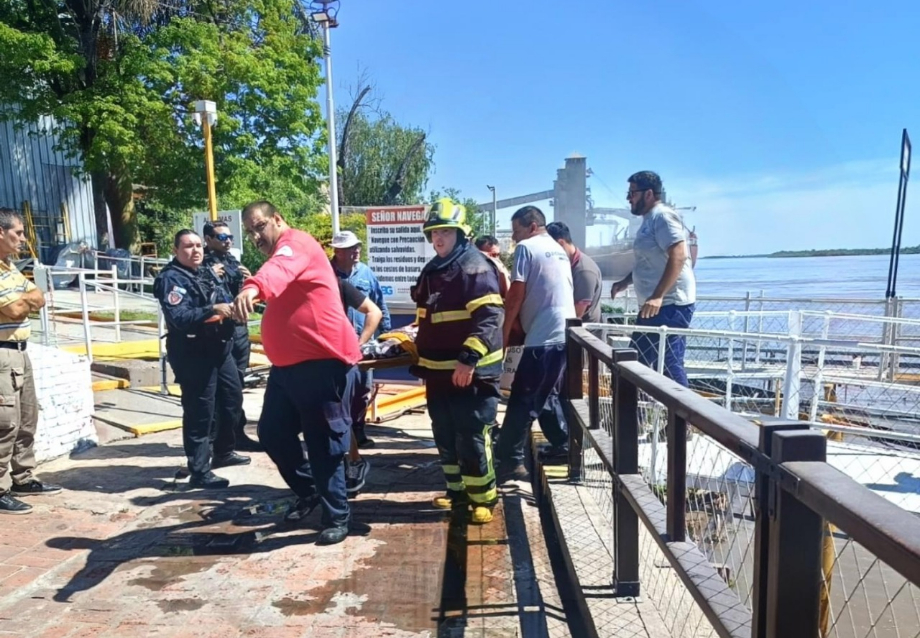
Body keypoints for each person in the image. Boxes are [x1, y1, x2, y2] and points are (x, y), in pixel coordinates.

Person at [233, 201, 361, 545]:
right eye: (250, 231)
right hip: (288, 368)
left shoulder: (296, 243)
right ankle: (310, 490)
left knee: (323, 443)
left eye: (259, 227)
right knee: (272, 433)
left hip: (322, 364)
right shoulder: (280, 253)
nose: (255, 236)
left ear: (277, 219)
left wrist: (253, 288)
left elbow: (277, 272)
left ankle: (337, 516)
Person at [410, 199, 504, 524]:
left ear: (461, 235)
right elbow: (427, 316)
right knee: (445, 434)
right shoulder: (432, 269)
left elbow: (490, 317)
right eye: (434, 232)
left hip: (471, 373)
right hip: (438, 373)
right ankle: (457, 494)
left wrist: (469, 358)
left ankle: (484, 498)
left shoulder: (475, 266)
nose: (439, 239)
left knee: (472, 435)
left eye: (446, 232)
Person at [154, 229, 248, 490]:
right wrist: (211, 310)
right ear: (175, 250)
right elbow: (180, 317)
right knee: (200, 411)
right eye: (187, 246)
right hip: (193, 352)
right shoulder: (170, 278)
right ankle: (199, 469)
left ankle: (224, 451)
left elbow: (224, 297)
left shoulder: (205, 271)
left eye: (198, 246)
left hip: (220, 347)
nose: (195, 250)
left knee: (232, 399)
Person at [494, 206, 575, 480]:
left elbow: (516, 293)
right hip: (564, 335)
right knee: (544, 392)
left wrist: (504, 335)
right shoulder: (558, 250)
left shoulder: (527, 248)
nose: (514, 238)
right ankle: (563, 444)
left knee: (521, 399)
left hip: (542, 338)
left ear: (531, 226)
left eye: (516, 231)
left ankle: (509, 461)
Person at [0, 208, 61, 515]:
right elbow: (11, 310)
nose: (23, 238)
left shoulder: (10, 268)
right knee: (4, 422)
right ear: (1, 232)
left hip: (20, 350)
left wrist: (26, 300)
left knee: (26, 417)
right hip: (2, 353)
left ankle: (23, 476)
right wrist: (26, 301)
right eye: (18, 233)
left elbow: (39, 296)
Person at [610, 171, 696, 386]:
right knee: (634, 363)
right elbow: (648, 262)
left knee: (668, 365)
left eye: (632, 193)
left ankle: (684, 417)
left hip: (669, 305)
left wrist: (658, 296)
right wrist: (625, 282)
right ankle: (633, 416)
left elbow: (679, 254)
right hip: (653, 307)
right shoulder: (649, 220)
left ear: (648, 193)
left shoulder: (663, 216)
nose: (629, 198)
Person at [202, 221, 260, 452]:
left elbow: (243, 295)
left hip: (239, 328)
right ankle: (217, 439)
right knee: (221, 387)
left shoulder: (233, 262)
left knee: (236, 386)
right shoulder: (203, 264)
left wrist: (250, 280)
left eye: (230, 237)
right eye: (221, 237)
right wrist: (208, 275)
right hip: (218, 331)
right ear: (208, 239)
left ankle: (236, 433)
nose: (227, 241)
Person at [330, 230, 391, 450]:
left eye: (357, 247)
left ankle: (358, 431)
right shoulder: (327, 275)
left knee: (362, 389)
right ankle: (341, 435)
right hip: (334, 346)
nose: (356, 251)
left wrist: (386, 335)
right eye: (350, 248)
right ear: (338, 251)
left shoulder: (365, 272)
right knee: (338, 391)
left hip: (363, 343)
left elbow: (379, 304)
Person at [546, 221, 603, 322]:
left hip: (584, 334)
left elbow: (576, 314)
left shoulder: (584, 271)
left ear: (560, 243)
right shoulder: (567, 264)